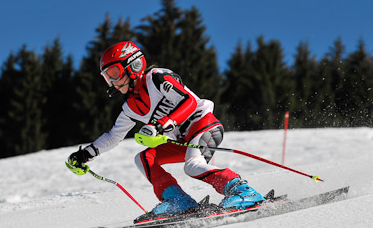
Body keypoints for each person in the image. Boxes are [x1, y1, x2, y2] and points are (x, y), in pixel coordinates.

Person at [66, 41, 264, 218]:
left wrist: (161, 125)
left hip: (204, 125)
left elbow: (189, 101)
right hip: (182, 141)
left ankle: (242, 191)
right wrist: (85, 154)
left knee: (193, 166)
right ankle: (180, 202)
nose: (113, 83)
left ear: (133, 66)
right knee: (143, 159)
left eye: (114, 74)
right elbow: (113, 137)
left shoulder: (157, 78)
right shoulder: (129, 108)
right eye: (107, 77)